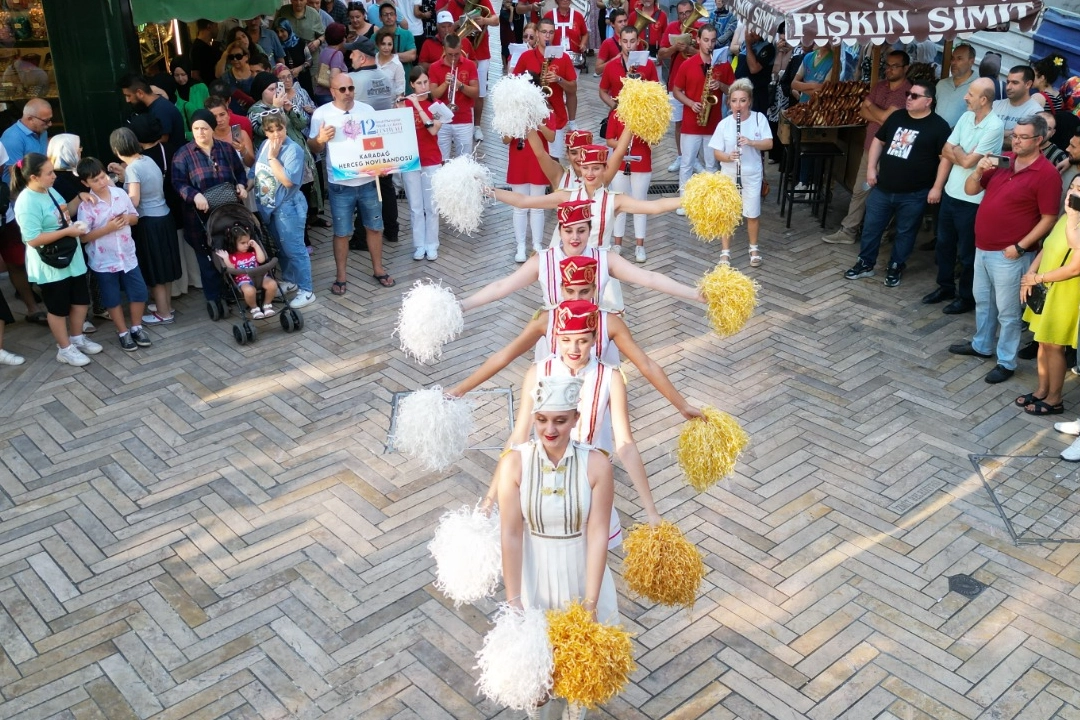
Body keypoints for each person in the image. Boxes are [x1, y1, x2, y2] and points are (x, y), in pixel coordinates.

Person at [492, 375, 618, 715]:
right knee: (538, 687)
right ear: (533, 418)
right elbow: (511, 533)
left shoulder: (597, 464)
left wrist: (590, 605)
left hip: (582, 574)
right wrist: (514, 601)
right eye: (542, 420)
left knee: (579, 680)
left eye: (560, 420)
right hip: (535, 579)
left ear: (575, 419)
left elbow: (597, 534)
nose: (550, 430)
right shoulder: (514, 464)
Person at [948, 115, 1061, 384]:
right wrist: (977, 170)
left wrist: (1020, 248)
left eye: (1023, 137)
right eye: (1016, 135)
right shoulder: (1004, 161)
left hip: (1010, 254)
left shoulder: (1046, 175)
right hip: (983, 247)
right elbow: (970, 189)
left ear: (1040, 140)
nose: (1016, 140)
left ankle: (1006, 361)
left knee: (1008, 312)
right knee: (984, 302)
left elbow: (1049, 218)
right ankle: (982, 345)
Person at [843, 81, 951, 289]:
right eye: (908, 94)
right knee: (872, 228)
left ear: (928, 101)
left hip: (915, 193)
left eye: (915, 96)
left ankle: (896, 265)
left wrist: (937, 187)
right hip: (883, 188)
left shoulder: (938, 126)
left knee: (906, 232)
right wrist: (872, 169)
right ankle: (865, 263)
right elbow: (878, 141)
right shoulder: (897, 117)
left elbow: (945, 159)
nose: (908, 98)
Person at [922, 78, 1003, 315]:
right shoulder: (967, 117)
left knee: (967, 254)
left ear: (984, 100)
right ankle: (945, 287)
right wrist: (960, 154)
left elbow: (965, 160)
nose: (965, 97)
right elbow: (946, 151)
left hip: (973, 200)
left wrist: (958, 152)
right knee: (944, 245)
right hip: (951, 192)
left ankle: (966, 297)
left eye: (970, 94)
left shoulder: (994, 126)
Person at [13, 153, 102, 366]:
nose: (54, 176)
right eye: (49, 173)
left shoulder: (50, 190)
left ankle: (77, 337)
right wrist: (68, 232)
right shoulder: (26, 201)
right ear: (34, 177)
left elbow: (63, 213)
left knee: (80, 301)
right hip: (50, 262)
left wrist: (80, 199)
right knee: (58, 307)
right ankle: (64, 349)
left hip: (70, 255)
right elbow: (32, 239)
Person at [308, 72, 394, 293]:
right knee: (342, 232)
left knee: (375, 227)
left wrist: (383, 164)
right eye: (343, 89)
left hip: (367, 181)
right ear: (332, 91)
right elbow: (313, 147)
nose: (348, 93)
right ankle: (341, 277)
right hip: (340, 184)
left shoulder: (367, 110)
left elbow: (379, 142)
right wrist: (320, 139)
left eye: (351, 88)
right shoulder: (321, 114)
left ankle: (378, 269)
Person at [822, 50, 912, 245]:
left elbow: (882, 118)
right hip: (869, 148)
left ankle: (881, 232)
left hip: (890, 154)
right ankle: (849, 230)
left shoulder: (907, 92)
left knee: (884, 195)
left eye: (895, 66)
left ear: (906, 68)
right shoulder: (880, 85)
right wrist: (876, 113)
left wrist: (873, 109)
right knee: (860, 190)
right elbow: (864, 111)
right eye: (887, 65)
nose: (889, 69)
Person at [1013, 176, 1080, 418]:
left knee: (1054, 346)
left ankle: (1055, 398)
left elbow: (1075, 268)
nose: (1072, 193)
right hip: (1047, 286)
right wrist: (1030, 273)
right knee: (1042, 341)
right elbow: (1047, 246)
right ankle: (1042, 390)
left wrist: (1038, 279)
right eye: (1071, 187)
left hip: (1065, 292)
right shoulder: (1066, 217)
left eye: (1079, 190)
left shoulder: (1075, 220)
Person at [171, 109, 250, 309]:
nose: (200, 132)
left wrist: (241, 186)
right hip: (200, 218)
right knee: (207, 261)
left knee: (233, 253)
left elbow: (240, 173)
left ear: (212, 129)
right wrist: (193, 194)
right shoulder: (183, 154)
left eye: (204, 128)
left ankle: (239, 291)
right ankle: (216, 299)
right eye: (196, 128)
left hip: (230, 214)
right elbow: (178, 183)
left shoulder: (225, 149)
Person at [74, 157, 151, 352]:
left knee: (139, 292)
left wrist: (127, 218)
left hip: (127, 255)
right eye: (95, 180)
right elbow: (84, 238)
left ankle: (136, 327)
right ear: (85, 183)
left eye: (102, 177)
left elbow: (135, 218)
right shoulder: (86, 206)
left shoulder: (119, 194)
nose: (101, 183)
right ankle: (123, 331)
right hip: (103, 260)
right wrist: (108, 228)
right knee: (112, 298)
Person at [109, 127, 181, 326]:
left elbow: (134, 199)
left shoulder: (133, 169)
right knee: (164, 266)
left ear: (116, 149)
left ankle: (164, 313)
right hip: (164, 217)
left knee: (155, 269)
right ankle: (166, 305)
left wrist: (113, 192)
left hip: (149, 222)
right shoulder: (147, 160)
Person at [251, 111, 317, 308]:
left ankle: (307, 290)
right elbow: (257, 170)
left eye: (279, 128)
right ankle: (290, 280)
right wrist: (244, 186)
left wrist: (272, 158)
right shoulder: (264, 145)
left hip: (288, 207)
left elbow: (288, 180)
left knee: (295, 248)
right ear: (265, 131)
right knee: (281, 247)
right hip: (269, 207)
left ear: (285, 126)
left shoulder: (292, 150)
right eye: (270, 130)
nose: (276, 134)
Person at [710, 78, 771, 267]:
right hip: (729, 174)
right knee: (728, 214)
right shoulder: (724, 124)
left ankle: (753, 249)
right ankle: (725, 252)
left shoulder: (759, 119)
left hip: (751, 173)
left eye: (743, 100)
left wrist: (751, 142)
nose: (738, 105)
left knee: (752, 213)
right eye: (734, 100)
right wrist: (729, 157)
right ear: (729, 103)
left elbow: (769, 143)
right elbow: (716, 153)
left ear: (749, 101)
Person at [0, 98, 51, 324]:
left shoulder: (41, 132)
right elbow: (8, 178)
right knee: (18, 258)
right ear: (29, 118)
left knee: (29, 255)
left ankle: (39, 299)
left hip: (41, 198)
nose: (49, 124)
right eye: (46, 121)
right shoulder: (11, 138)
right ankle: (31, 305)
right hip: (19, 205)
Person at [347, 35, 400, 245]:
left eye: (352, 53)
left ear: (361, 58)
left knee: (364, 186)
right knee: (386, 185)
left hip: (363, 141)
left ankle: (361, 236)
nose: (350, 56)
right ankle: (392, 229)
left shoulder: (352, 80)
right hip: (384, 139)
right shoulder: (385, 78)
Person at [672, 24, 729, 203]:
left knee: (712, 165)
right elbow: (676, 90)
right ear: (697, 40)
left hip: (713, 124)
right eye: (705, 40)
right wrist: (690, 103)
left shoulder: (724, 66)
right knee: (687, 164)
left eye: (713, 41)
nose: (709, 45)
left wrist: (720, 85)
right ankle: (684, 202)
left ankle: (709, 202)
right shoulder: (687, 64)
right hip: (691, 123)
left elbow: (732, 90)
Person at [514, 17, 577, 159]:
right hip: (531, 118)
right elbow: (513, 84)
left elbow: (573, 89)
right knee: (534, 160)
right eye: (543, 32)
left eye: (551, 32)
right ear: (536, 33)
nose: (547, 36)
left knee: (554, 161)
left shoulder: (564, 58)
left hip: (556, 117)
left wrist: (558, 79)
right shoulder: (526, 56)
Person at [658, 0, 707, 172]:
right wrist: (674, 48)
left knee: (698, 120)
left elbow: (711, 53)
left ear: (694, 11)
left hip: (698, 82)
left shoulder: (701, 28)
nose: (685, 16)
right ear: (677, 14)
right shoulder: (672, 27)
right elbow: (660, 54)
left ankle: (694, 159)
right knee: (679, 122)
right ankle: (681, 156)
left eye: (688, 12)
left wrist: (693, 51)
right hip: (676, 82)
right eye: (681, 13)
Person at [401, 67, 442, 261]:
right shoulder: (403, 105)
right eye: (419, 83)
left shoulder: (437, 106)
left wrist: (417, 106)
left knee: (432, 206)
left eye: (425, 82)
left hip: (431, 159)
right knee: (416, 207)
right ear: (411, 84)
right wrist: (400, 106)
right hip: (411, 160)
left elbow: (432, 130)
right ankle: (419, 245)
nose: (423, 86)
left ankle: (432, 244)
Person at [429, 34, 480, 160]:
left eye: (456, 54)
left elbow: (476, 93)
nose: (453, 58)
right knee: (441, 160)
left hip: (464, 120)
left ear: (461, 48)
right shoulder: (434, 67)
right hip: (441, 120)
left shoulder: (470, 65)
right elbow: (433, 95)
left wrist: (460, 85)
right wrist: (445, 84)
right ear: (444, 50)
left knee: (464, 160)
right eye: (450, 54)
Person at [215, 224, 279, 319]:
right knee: (249, 291)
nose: (246, 245)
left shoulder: (252, 252)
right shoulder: (232, 256)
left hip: (260, 276)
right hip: (243, 279)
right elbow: (232, 269)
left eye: (248, 242)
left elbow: (261, 260)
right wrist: (226, 258)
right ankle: (254, 308)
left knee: (272, 284)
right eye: (243, 243)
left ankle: (267, 304)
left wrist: (256, 246)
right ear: (233, 243)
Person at [119, 74, 187, 159]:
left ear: (140, 93)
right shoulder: (156, 106)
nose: (127, 100)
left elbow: (163, 140)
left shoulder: (161, 109)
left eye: (128, 96)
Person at [993, 66, 1042, 150]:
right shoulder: (995, 105)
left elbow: (1023, 144)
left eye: (1015, 83)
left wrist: (991, 136)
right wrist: (1005, 134)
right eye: (1008, 82)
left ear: (1028, 84)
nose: (1008, 87)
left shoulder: (1035, 112)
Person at [205, 95, 256, 168]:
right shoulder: (208, 138)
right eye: (214, 116)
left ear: (228, 115)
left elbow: (252, 164)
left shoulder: (242, 134)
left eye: (222, 114)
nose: (219, 120)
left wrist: (243, 150)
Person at [934, 44, 976, 127]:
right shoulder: (941, 84)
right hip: (935, 136)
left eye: (959, 58)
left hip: (961, 138)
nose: (953, 62)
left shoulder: (979, 86)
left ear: (971, 61)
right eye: (952, 58)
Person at [733, 30, 774, 113]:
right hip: (740, 90)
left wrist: (748, 45)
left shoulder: (768, 47)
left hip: (756, 95)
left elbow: (754, 69)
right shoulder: (746, 43)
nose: (750, 32)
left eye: (754, 30)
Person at [275, 18, 316, 97]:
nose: (279, 34)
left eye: (282, 31)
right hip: (286, 82)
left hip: (303, 79)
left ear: (288, 29)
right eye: (277, 32)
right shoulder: (277, 46)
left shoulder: (300, 42)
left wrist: (299, 69)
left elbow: (310, 60)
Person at [172, 58, 211, 141]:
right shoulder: (172, 91)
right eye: (176, 75)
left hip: (203, 135)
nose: (180, 79)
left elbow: (209, 109)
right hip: (182, 138)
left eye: (183, 74)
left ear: (189, 73)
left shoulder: (201, 88)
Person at [377, 3, 417, 78]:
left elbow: (412, 56)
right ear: (380, 17)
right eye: (385, 14)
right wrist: (401, 56)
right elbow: (377, 58)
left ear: (396, 16)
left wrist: (387, 56)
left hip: (405, 79)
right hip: (384, 79)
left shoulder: (407, 34)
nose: (389, 17)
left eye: (391, 14)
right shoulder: (375, 36)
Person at [314, 22, 350, 105]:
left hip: (319, 93)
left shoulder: (324, 51)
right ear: (342, 38)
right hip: (329, 96)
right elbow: (334, 78)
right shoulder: (337, 54)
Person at [375, 27, 407, 96]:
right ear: (378, 44)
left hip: (391, 105)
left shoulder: (397, 65)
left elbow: (400, 90)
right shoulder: (372, 61)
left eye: (389, 44)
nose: (386, 48)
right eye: (383, 44)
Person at [190, 19, 222, 84]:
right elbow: (195, 74)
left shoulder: (208, 47)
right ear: (209, 27)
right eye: (216, 26)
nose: (218, 29)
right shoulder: (197, 48)